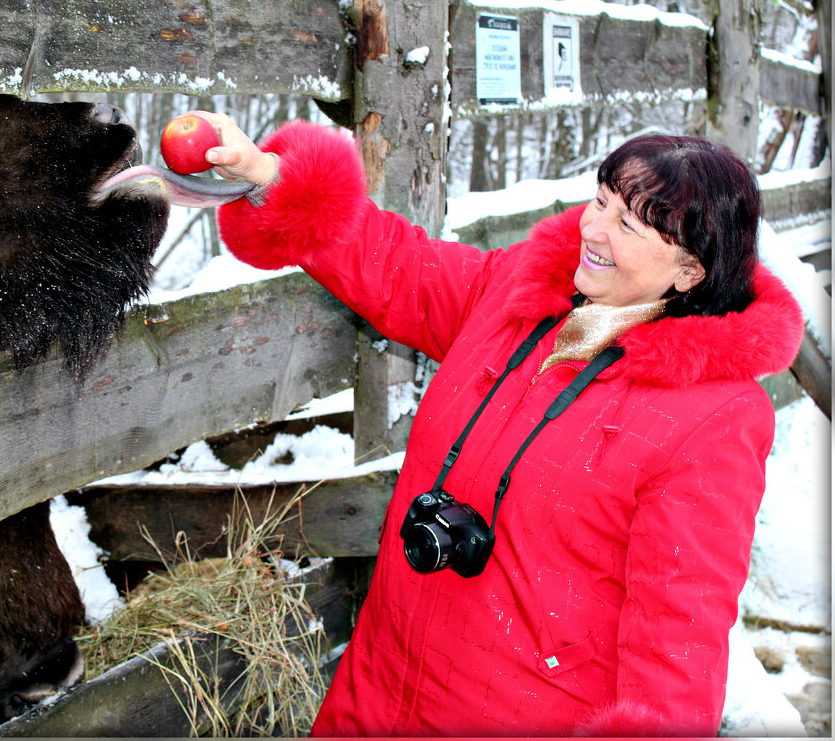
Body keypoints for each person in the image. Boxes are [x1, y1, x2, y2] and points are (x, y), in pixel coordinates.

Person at [189, 112, 805, 736]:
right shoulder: (522, 291)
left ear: (690, 271)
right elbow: (402, 271)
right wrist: (268, 177)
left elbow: (678, 634)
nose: (593, 228)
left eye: (628, 222)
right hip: (381, 685)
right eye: (599, 201)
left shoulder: (712, 415)